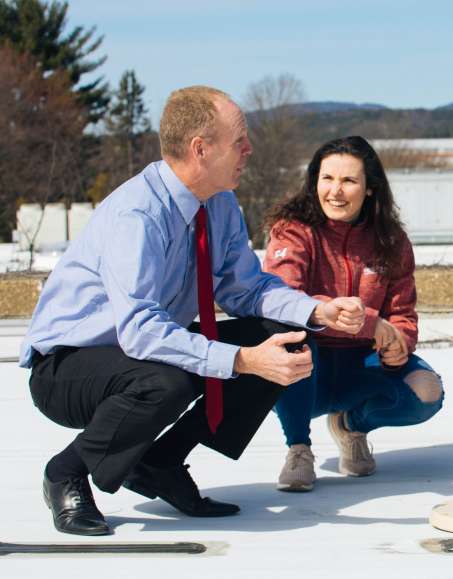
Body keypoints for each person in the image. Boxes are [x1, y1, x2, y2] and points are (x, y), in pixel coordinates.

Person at [22, 86, 366, 536]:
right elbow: (141, 331)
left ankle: (159, 463)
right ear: (200, 149)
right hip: (69, 366)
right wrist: (242, 360)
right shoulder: (138, 215)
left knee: (286, 335)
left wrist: (316, 311)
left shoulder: (219, 202)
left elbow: (247, 288)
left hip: (137, 351)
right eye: (239, 139)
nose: (249, 148)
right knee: (168, 378)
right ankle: (66, 472)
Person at [263, 137, 444, 492]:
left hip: (361, 363)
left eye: (349, 181)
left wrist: (399, 343)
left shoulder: (390, 241)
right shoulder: (293, 230)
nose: (336, 191)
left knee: (427, 393)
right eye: (327, 178)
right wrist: (365, 322)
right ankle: (298, 448)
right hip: (307, 367)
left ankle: (350, 424)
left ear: (370, 189)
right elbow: (281, 297)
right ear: (314, 182)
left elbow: (403, 313)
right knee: (286, 339)